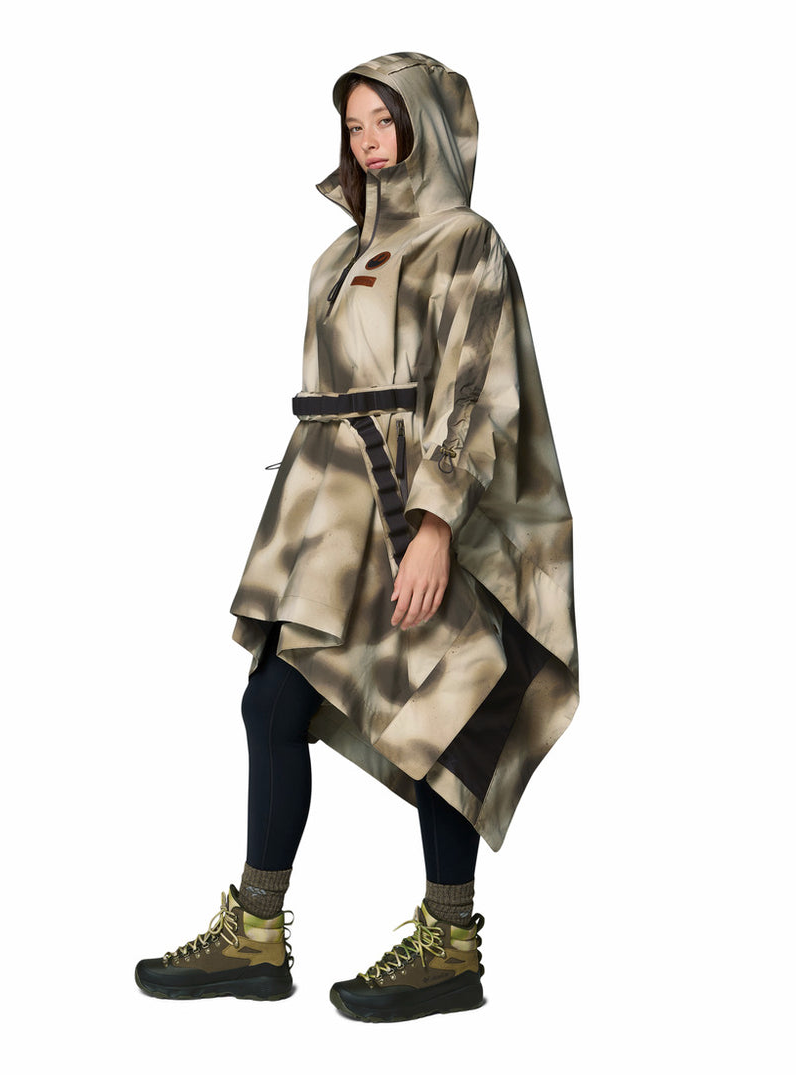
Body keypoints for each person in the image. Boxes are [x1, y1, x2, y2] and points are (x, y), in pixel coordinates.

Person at [134, 52, 579, 1022]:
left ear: (428, 126)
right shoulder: (335, 257)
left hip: (418, 506)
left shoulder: (465, 240)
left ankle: (450, 945)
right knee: (271, 703)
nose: (369, 142)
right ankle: (257, 933)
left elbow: (477, 388)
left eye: (386, 120)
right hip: (327, 514)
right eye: (354, 125)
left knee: (445, 710)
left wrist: (435, 526)